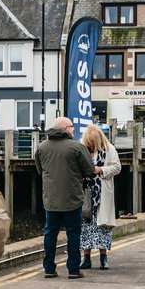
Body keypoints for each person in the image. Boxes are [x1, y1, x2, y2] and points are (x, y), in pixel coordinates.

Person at [35, 117, 98, 279]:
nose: (73, 130)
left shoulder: (41, 148)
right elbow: (89, 169)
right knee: (73, 234)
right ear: (64, 128)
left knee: (50, 233)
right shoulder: (76, 147)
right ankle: (73, 269)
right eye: (71, 127)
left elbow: (40, 170)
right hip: (72, 198)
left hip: (51, 200)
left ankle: (49, 268)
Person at [79, 124, 122, 270]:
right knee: (86, 224)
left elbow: (117, 167)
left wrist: (101, 170)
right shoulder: (82, 149)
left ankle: (103, 258)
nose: (90, 146)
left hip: (102, 192)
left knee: (102, 225)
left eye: (92, 143)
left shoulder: (109, 149)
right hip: (86, 192)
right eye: (88, 143)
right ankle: (86, 258)